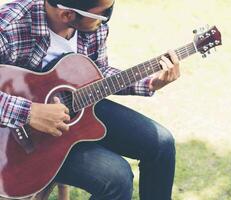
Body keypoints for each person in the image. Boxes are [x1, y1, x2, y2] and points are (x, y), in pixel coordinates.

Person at [0, 0, 180, 199]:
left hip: (79, 110)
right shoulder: (10, 25)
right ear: (67, 14)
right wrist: (29, 112)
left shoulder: (93, 25)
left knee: (161, 143)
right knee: (117, 177)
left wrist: (150, 82)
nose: (106, 18)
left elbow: (98, 73)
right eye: (103, 14)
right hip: (20, 142)